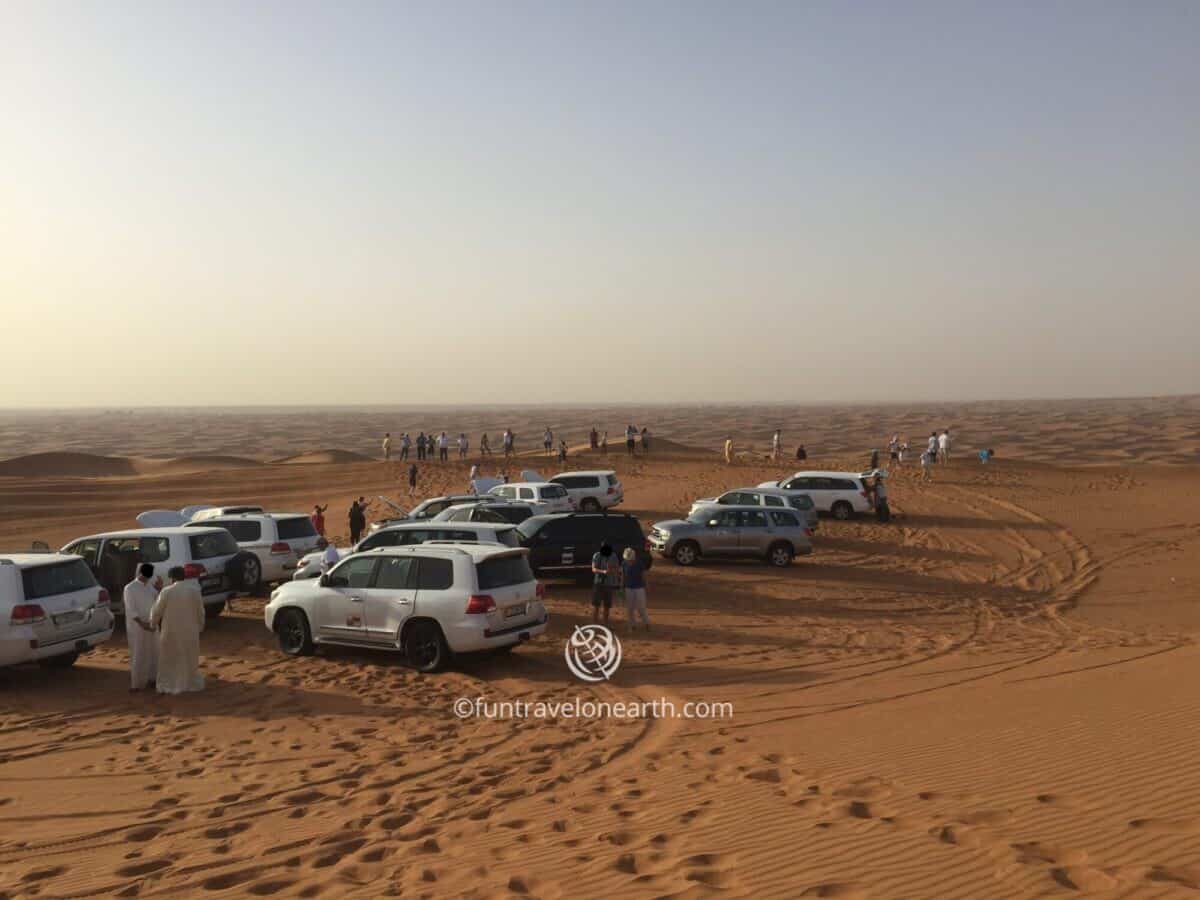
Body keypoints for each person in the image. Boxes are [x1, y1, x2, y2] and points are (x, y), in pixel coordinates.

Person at [150, 566, 205, 695]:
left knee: (170, 657)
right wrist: (200, 626)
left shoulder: (167, 591)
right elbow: (200, 611)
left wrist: (152, 623)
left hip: (171, 630)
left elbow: (157, 610)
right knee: (189, 656)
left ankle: (172, 683)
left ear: (172, 577)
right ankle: (188, 683)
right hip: (190, 630)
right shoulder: (194, 590)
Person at [123, 563, 160, 691]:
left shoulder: (149, 586)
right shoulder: (129, 588)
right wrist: (142, 624)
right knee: (138, 653)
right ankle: (136, 684)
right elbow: (131, 609)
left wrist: (159, 588)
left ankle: (153, 679)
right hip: (137, 627)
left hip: (151, 624)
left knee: (154, 651)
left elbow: (157, 599)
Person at [621, 548, 649, 633]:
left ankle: (646, 623)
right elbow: (623, 575)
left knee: (641, 608)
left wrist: (646, 585)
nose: (629, 561)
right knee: (630, 608)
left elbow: (643, 575)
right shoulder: (624, 563)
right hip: (628, 588)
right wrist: (621, 586)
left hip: (639, 588)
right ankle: (632, 625)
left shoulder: (640, 563)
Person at [590, 544, 620, 625]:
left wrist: (612, 571)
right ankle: (595, 623)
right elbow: (593, 569)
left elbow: (617, 568)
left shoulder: (613, 556)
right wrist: (603, 571)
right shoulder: (597, 555)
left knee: (607, 606)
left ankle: (605, 623)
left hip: (608, 583)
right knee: (596, 605)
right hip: (598, 582)